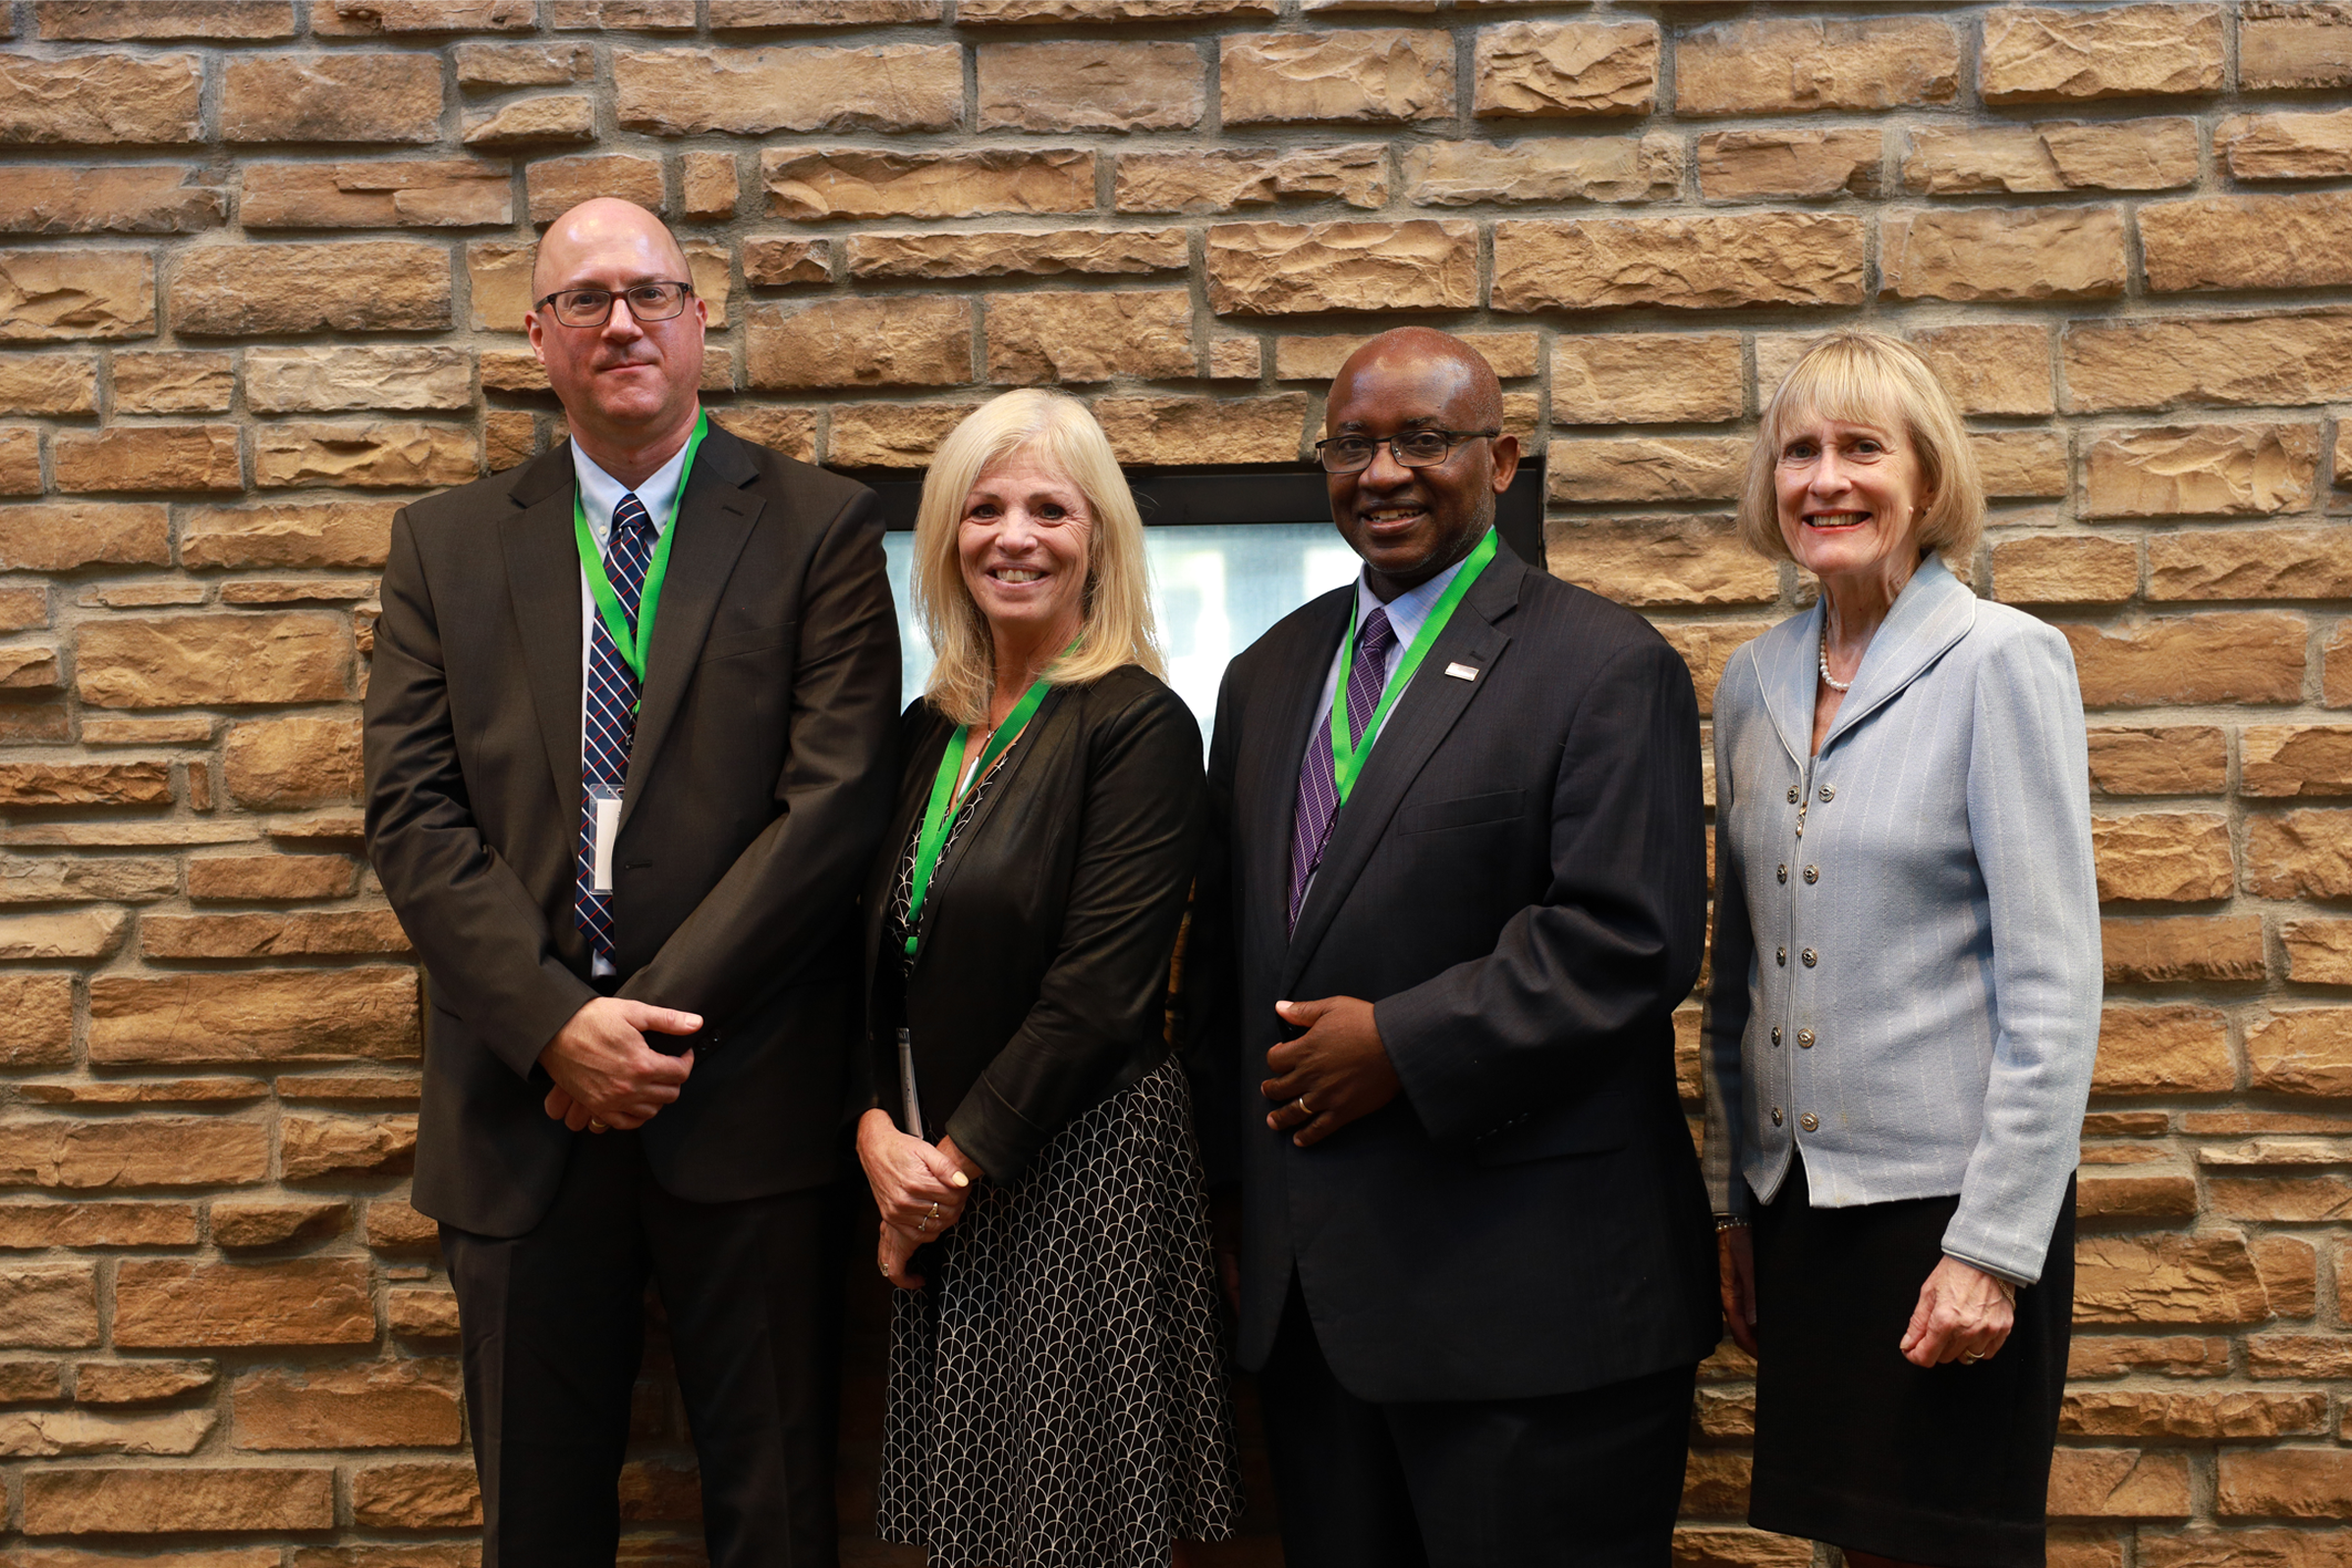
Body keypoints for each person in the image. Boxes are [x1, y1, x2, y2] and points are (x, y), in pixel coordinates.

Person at [364, 196, 900, 1567]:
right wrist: (555, 1027)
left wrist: (639, 1031)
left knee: (774, 1517)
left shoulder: (818, 528)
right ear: (536, 337)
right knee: (535, 1530)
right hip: (519, 1110)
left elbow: (832, 807)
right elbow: (412, 816)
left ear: (697, 322)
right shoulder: (445, 544)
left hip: (745, 1098)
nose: (622, 323)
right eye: (586, 300)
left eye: (650, 294)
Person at [1183, 326, 1718, 1568]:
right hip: (1318, 1307)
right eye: (1352, 445)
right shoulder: (1266, 676)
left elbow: (1627, 940)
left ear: (1503, 459)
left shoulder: (1604, 664)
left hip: (1532, 1314)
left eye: (1423, 440)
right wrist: (1225, 1190)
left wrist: (1400, 1044)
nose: (1383, 473)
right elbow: (1226, 960)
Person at [1703, 329, 2100, 1568]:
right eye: (1799, 452)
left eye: (1862, 449)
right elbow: (1742, 976)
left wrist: (1991, 1249)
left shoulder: (2003, 660)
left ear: (1925, 481)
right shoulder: (1749, 681)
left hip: (1949, 1214)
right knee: (1848, 1549)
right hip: (1802, 1215)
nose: (1826, 479)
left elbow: (2054, 981)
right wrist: (1735, 1203)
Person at [854, 388, 1241, 1568]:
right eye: (983, 509)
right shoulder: (931, 731)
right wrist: (876, 1131)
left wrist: (948, 1172)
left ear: (1099, 543)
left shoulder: (1139, 726)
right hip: (941, 1170)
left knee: (1085, 1536)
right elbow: (880, 967)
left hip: (1085, 1178)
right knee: (977, 1533)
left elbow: (1100, 992)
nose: (1013, 536)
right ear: (945, 539)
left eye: (1048, 510)